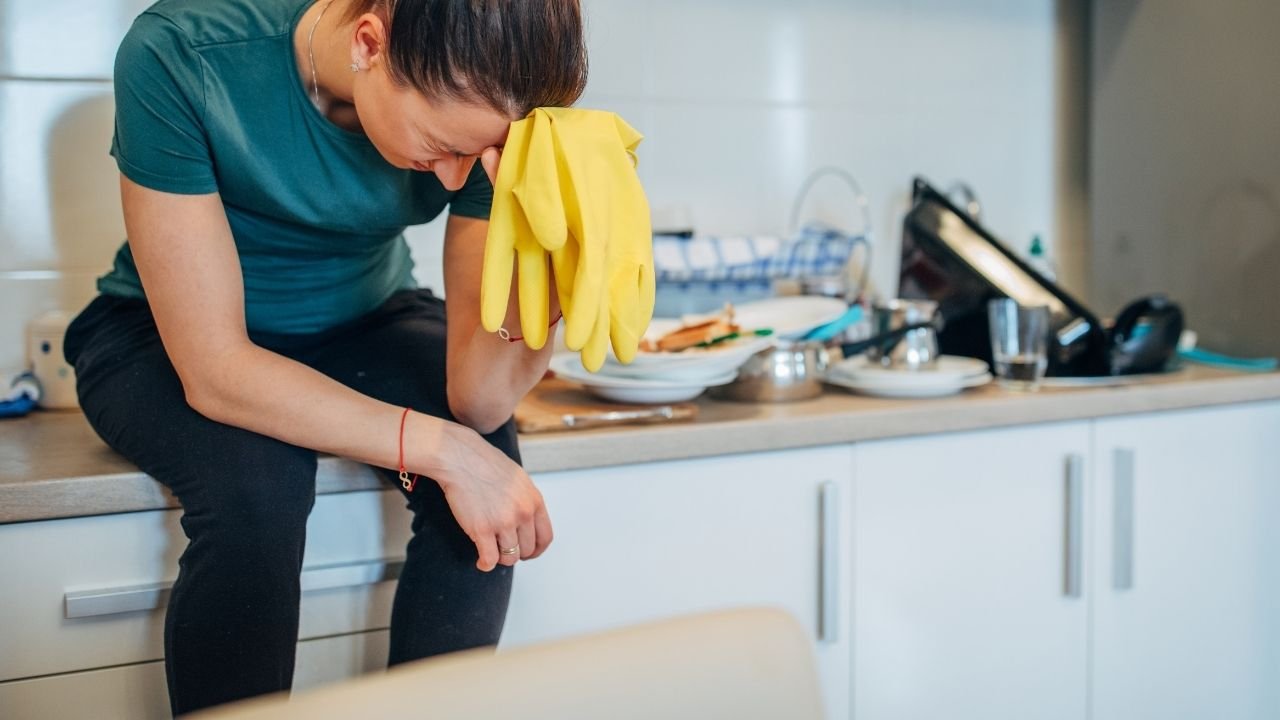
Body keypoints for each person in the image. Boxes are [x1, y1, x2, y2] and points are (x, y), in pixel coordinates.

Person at [62, 0, 586, 714]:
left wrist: (545, 273)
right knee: (259, 486)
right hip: (162, 335)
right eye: (442, 147)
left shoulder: (486, 125)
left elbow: (478, 401)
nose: (457, 179)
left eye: (478, 155)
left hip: (368, 319)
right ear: (369, 43)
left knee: (485, 497)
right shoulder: (184, 53)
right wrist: (442, 450)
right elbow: (217, 372)